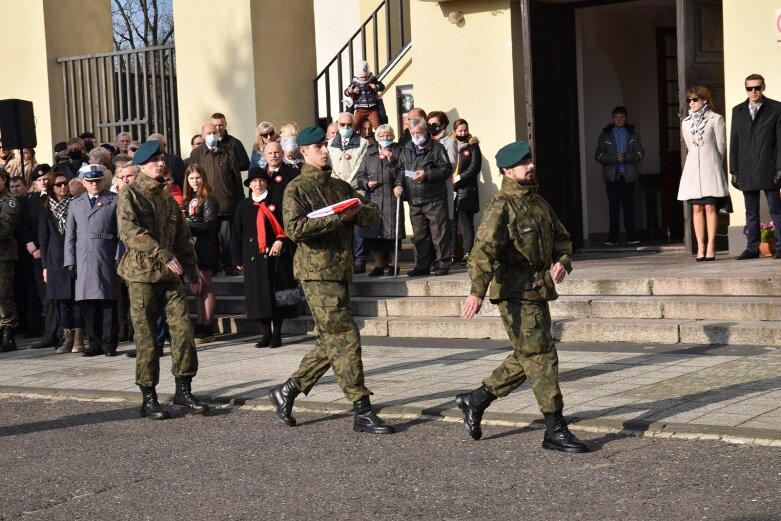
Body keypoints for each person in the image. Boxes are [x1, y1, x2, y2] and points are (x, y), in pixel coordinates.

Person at [455, 140, 588, 453]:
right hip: (515, 292)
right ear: (507, 170)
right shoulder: (501, 206)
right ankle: (555, 428)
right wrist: (477, 291)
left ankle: (474, 400)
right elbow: (482, 252)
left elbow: (563, 238)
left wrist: (562, 262)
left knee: (528, 356)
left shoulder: (539, 203)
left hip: (538, 289)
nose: (530, 165)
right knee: (542, 356)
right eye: (522, 162)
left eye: (530, 158)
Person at [267, 125, 393, 435]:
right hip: (316, 273)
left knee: (331, 340)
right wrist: (338, 217)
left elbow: (371, 213)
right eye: (318, 147)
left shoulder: (340, 186)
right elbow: (294, 229)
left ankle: (288, 390)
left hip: (340, 271)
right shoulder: (297, 189)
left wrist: (356, 213)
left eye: (325, 145)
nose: (325, 150)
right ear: (304, 153)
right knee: (346, 335)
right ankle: (361, 408)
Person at [118, 140, 209, 419]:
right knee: (147, 338)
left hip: (171, 275)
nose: (161, 163)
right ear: (142, 166)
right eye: (155, 160)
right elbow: (129, 231)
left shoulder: (168, 198)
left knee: (183, 331)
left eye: (162, 159)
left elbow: (182, 238)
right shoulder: (131, 195)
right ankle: (149, 396)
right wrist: (161, 253)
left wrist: (193, 270)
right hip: (142, 275)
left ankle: (183, 389)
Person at [232, 167, 297, 348]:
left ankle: (277, 333)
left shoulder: (277, 201)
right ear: (249, 185)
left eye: (261, 180)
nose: (258, 184)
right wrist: (236, 259)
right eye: (254, 181)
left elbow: (287, 225)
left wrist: (280, 240)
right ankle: (265, 333)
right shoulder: (243, 205)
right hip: (254, 258)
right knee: (258, 296)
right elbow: (236, 234)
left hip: (277, 256)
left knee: (278, 294)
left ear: (267, 182)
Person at [64, 165, 121, 357]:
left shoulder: (113, 200)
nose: (94, 184)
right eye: (90, 181)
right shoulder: (75, 203)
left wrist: (119, 257)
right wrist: (70, 261)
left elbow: (121, 234)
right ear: (84, 183)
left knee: (108, 303)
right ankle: (94, 344)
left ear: (104, 181)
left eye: (98, 180)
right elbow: (70, 235)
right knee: (87, 304)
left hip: (106, 255)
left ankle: (109, 344)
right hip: (83, 257)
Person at [730, 73, 781, 260]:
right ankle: (752, 248)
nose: (753, 91)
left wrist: (780, 168)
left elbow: (780, 141)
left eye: (757, 88)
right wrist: (734, 170)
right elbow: (734, 142)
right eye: (749, 88)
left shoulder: (776, 109)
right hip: (747, 168)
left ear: (763, 87)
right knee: (751, 211)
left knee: (776, 209)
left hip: (769, 166)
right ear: (746, 89)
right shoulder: (738, 111)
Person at [676, 86, 729, 261]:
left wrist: (713, 163)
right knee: (696, 207)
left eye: (695, 99)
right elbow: (689, 146)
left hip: (710, 167)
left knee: (710, 206)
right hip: (693, 170)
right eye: (689, 100)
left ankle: (712, 246)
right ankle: (700, 247)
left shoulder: (716, 119)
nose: (691, 103)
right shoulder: (685, 122)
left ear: (704, 100)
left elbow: (721, 146)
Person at [398, 117, 453, 276]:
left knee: (439, 234)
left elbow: (445, 169)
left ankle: (442, 263)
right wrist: (399, 185)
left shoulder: (436, 148)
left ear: (426, 131)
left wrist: (427, 174)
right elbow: (401, 170)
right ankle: (422, 265)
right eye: (413, 132)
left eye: (419, 132)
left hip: (434, 198)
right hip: (414, 200)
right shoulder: (406, 148)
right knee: (420, 236)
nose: (416, 135)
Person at [187, 122, 243, 276]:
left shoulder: (228, 152)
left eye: (215, 132)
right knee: (209, 240)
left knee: (227, 239)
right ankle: (212, 267)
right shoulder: (197, 153)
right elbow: (191, 176)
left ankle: (229, 266)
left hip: (226, 204)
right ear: (202, 134)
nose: (212, 135)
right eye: (209, 133)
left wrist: (240, 202)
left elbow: (237, 180)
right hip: (204, 205)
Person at [39, 171, 85, 354]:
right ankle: (67, 338)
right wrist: (44, 266)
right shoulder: (44, 208)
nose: (63, 187)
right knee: (62, 301)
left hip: (75, 256)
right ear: (51, 187)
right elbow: (43, 239)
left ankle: (80, 339)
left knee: (77, 299)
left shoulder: (76, 203)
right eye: (58, 184)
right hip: (55, 259)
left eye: (64, 183)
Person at [356, 124, 405, 276]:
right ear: (377, 137)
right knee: (375, 235)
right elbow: (360, 175)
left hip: (391, 198)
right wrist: (366, 184)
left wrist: (392, 163)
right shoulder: (369, 153)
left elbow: (402, 173)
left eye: (388, 135)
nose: (385, 138)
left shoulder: (399, 152)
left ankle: (394, 264)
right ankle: (378, 266)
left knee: (392, 234)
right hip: (374, 199)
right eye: (382, 136)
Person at [594, 106, 645, 246]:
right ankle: (613, 238)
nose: (619, 119)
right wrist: (614, 159)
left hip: (627, 177)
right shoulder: (605, 135)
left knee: (628, 206)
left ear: (626, 118)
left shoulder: (633, 135)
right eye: (616, 117)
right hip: (611, 177)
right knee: (613, 207)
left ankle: (632, 236)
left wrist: (626, 157)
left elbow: (640, 154)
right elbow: (598, 155)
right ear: (612, 118)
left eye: (621, 117)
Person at [182, 163, 219, 344]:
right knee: (196, 289)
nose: (194, 181)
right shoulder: (187, 199)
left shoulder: (209, 199)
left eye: (197, 177)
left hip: (206, 246)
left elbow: (210, 225)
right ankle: (200, 322)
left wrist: (188, 224)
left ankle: (207, 326)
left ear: (203, 178)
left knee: (205, 285)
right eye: (191, 178)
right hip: (191, 248)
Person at [451, 118, 482, 263]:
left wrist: (458, 178)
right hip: (450, 189)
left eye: (465, 130)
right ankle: (453, 253)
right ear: (454, 131)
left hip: (466, 189)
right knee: (452, 222)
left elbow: (474, 167)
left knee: (466, 222)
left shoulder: (473, 146)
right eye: (460, 130)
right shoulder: (450, 144)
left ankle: (468, 252)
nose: (463, 133)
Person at [0, 170, 20, 352]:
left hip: (3, 256)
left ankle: (9, 333)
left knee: (4, 295)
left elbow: (5, 229)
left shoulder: (9, 201)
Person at [345, 60, 385, 132]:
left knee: (377, 126)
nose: (363, 79)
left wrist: (376, 86)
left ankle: (379, 138)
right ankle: (353, 139)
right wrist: (351, 91)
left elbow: (382, 87)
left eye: (365, 77)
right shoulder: (354, 82)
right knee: (354, 126)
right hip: (360, 110)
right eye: (361, 77)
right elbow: (346, 92)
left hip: (372, 109)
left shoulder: (372, 79)